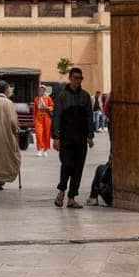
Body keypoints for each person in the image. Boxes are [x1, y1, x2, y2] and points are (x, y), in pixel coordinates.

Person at [52, 66, 95, 208]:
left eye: (80, 78)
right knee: (67, 165)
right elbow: (57, 116)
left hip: (81, 139)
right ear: (70, 78)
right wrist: (56, 137)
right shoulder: (63, 96)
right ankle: (61, 191)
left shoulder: (85, 96)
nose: (78, 81)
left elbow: (89, 116)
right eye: (76, 78)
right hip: (66, 138)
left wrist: (90, 135)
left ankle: (72, 197)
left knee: (78, 168)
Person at [34, 86, 54, 154]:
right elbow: (35, 110)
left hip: (46, 117)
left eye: (42, 90)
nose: (40, 91)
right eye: (39, 90)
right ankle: (39, 149)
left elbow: (52, 106)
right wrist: (34, 119)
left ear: (44, 91)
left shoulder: (48, 98)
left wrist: (48, 108)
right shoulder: (36, 99)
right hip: (38, 117)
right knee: (38, 133)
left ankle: (45, 149)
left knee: (46, 133)